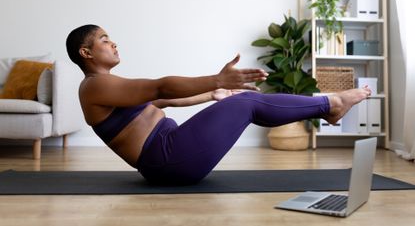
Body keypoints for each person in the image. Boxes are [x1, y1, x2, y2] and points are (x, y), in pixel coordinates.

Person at [66, 24, 371, 185]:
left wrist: (215, 93)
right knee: (248, 103)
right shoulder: (95, 86)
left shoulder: (105, 85)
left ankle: (329, 106)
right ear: (86, 52)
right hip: (168, 160)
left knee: (242, 99)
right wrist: (215, 79)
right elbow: (160, 86)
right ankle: (330, 104)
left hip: (169, 155)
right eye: (105, 39)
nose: (114, 43)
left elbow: (165, 99)